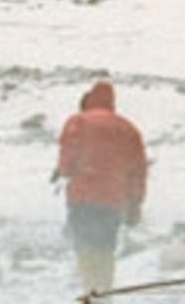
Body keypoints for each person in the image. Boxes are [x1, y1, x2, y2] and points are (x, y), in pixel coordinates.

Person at [53, 78, 148, 291]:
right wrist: (135, 204)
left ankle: (90, 294)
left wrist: (62, 171)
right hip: (113, 200)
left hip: (84, 196)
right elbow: (138, 170)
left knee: (85, 246)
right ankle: (105, 292)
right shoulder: (128, 128)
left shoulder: (79, 121)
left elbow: (68, 160)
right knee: (105, 249)